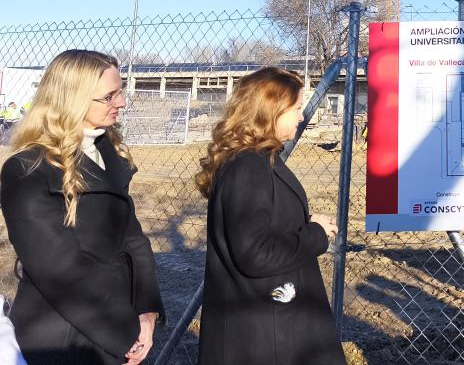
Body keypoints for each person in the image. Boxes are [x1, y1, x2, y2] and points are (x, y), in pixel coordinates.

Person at [0, 50, 163, 365]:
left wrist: (147, 309)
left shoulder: (108, 152)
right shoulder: (28, 169)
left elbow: (134, 240)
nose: (122, 102)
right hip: (64, 335)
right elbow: (61, 270)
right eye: (109, 96)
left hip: (117, 320)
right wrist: (125, 332)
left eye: (121, 91)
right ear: (72, 99)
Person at [194, 67, 346, 365]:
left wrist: (304, 221)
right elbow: (255, 254)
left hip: (270, 323)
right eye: (297, 108)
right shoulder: (248, 167)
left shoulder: (259, 159)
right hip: (267, 334)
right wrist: (314, 235)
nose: (302, 117)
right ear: (271, 111)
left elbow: (260, 222)